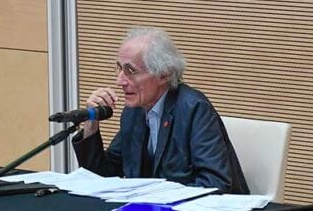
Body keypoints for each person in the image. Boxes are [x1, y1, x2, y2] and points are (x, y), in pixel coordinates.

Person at [72, 27, 249, 194]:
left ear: (164, 74)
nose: (120, 81)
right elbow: (104, 177)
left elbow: (215, 183)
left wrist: (156, 196)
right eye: (120, 68)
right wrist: (91, 123)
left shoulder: (194, 108)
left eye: (130, 70)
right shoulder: (134, 112)